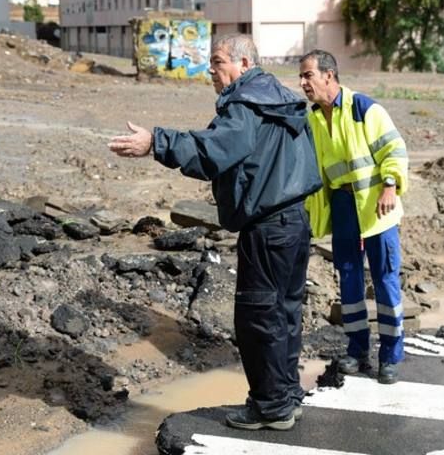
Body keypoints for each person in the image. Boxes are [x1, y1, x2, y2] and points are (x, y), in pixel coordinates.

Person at [109, 34, 321, 430]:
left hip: (268, 228)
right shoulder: (281, 98)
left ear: (243, 64)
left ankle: (271, 408)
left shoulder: (245, 103)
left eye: (218, 61)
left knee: (258, 318)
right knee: (284, 313)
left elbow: (214, 151)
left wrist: (156, 142)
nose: (211, 69)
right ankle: (285, 396)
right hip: (294, 223)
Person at [299, 49, 408, 384]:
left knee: (385, 280)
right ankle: (357, 348)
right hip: (345, 206)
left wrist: (390, 185)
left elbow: (395, 149)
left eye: (308, 76)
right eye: (301, 77)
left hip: (378, 206)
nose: (303, 83)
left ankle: (390, 355)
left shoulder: (364, 109)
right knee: (349, 279)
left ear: (329, 76)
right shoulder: (313, 118)